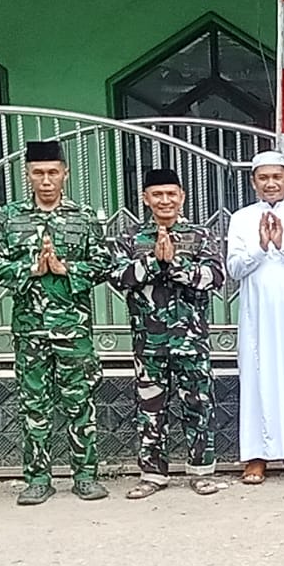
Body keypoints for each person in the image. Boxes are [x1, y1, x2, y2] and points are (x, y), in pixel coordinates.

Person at [0, 139, 112, 505]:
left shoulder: (82, 217)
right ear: (27, 175)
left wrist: (66, 268)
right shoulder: (10, 217)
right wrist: (31, 269)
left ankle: (85, 476)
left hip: (73, 328)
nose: (45, 180)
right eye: (38, 173)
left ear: (65, 174)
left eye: (52, 172)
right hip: (30, 329)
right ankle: (38, 479)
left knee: (79, 402)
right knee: (34, 406)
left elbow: (104, 263)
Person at [109, 168, 227, 499]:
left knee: (198, 405)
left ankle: (201, 471)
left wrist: (175, 265)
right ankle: (152, 474)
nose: (165, 201)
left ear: (182, 197)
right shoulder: (131, 238)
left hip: (191, 339)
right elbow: (118, 276)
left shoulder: (200, 236)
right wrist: (152, 262)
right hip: (149, 340)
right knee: (150, 410)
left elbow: (215, 276)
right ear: (145, 199)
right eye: (157, 195)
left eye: (171, 194)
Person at [225, 150, 284, 485]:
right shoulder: (241, 218)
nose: (270, 183)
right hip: (258, 317)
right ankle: (257, 455)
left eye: (276, 177)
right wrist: (260, 246)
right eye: (263, 178)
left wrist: (282, 246)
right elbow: (234, 269)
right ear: (253, 182)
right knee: (258, 378)